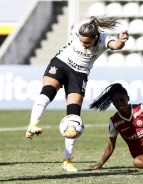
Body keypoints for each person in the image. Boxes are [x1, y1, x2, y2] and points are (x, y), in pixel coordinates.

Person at [25, 16, 129, 172]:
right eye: (80, 41)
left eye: (87, 42)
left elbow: (115, 45)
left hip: (79, 74)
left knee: (73, 117)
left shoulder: (103, 39)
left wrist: (121, 41)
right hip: (61, 63)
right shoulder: (78, 28)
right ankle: (32, 125)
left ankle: (67, 161)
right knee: (48, 91)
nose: (83, 44)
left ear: (95, 38)